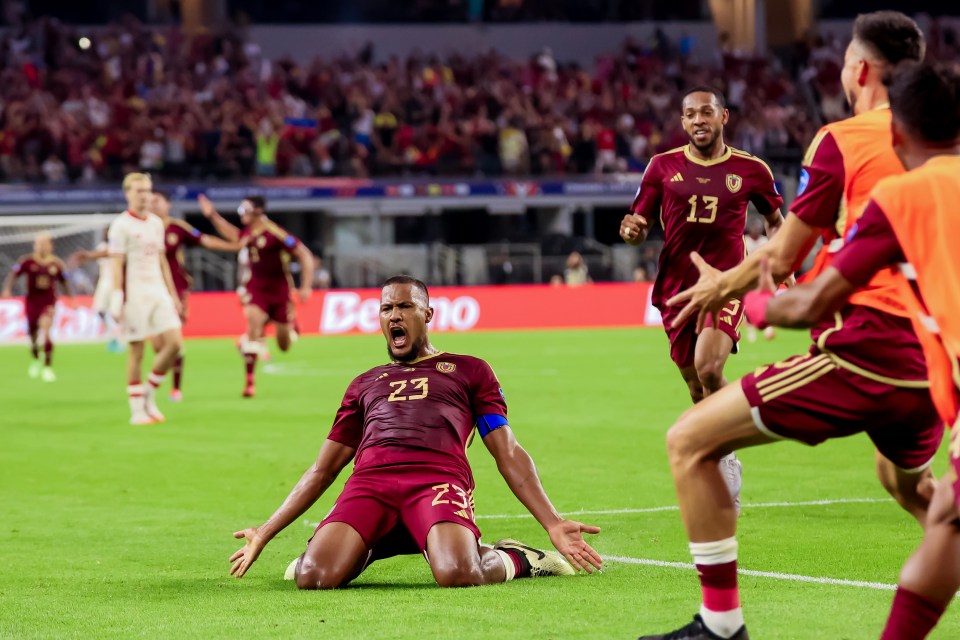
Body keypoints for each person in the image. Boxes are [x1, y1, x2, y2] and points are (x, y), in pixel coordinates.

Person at [638, 13, 936, 640]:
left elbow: (783, 258)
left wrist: (741, 295)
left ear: (858, 70)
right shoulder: (943, 150)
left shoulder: (845, 140)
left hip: (874, 348)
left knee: (689, 441)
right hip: (942, 361)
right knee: (908, 484)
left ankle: (720, 626)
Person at [740, 62, 960, 640]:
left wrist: (757, 306)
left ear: (897, 136)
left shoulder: (904, 194)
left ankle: (718, 622)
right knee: (944, 521)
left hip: (902, 365)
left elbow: (812, 302)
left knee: (688, 439)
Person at [228, 275, 604, 588]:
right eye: (387, 308)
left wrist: (552, 522)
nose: (395, 315)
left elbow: (508, 452)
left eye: (405, 306)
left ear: (428, 314)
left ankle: (519, 557)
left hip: (436, 482)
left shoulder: (470, 371)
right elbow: (323, 469)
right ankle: (358, 544)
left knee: (459, 573)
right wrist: (264, 531)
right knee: (313, 576)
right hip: (370, 485)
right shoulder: (364, 383)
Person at [620, 85, 786, 514]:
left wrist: (777, 270)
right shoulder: (661, 167)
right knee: (695, 382)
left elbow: (774, 220)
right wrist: (632, 229)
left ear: (723, 117)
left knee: (711, 367)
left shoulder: (751, 170)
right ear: (682, 122)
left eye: (706, 113)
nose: (699, 120)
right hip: (676, 288)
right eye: (690, 114)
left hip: (728, 282)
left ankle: (725, 452)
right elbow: (638, 218)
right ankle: (721, 446)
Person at [198, 193, 313, 398]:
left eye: (244, 210)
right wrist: (212, 216)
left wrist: (305, 286)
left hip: (279, 292)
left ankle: (289, 324)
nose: (241, 214)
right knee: (252, 326)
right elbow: (233, 235)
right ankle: (249, 383)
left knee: (284, 345)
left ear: (258, 211)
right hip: (256, 289)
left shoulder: (275, 233)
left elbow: (304, 254)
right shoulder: (249, 233)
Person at [107, 172, 184, 425]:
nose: (145, 196)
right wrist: (117, 296)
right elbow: (116, 264)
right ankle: (137, 410)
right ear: (127, 193)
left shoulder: (155, 223)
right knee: (137, 350)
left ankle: (149, 393)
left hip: (158, 290)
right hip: (135, 293)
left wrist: (173, 294)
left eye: (148, 190)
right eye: (139, 191)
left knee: (174, 344)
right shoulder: (120, 225)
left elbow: (162, 261)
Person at [2, 232, 73, 382]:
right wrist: (7, 289)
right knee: (33, 335)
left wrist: (71, 298)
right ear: (34, 245)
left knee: (46, 331)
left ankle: (48, 367)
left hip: (48, 301)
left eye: (44, 243)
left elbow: (64, 282)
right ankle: (35, 357)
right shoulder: (27, 261)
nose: (41, 246)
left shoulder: (56, 263)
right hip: (32, 301)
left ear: (50, 246)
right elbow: (13, 275)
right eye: (38, 243)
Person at [742, 217, 775, 342]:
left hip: (763, 277)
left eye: (758, 228)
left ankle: (768, 329)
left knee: (767, 301)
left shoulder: (764, 241)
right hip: (748, 276)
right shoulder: (744, 241)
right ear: (749, 229)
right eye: (754, 228)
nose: (756, 230)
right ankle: (751, 331)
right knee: (748, 303)